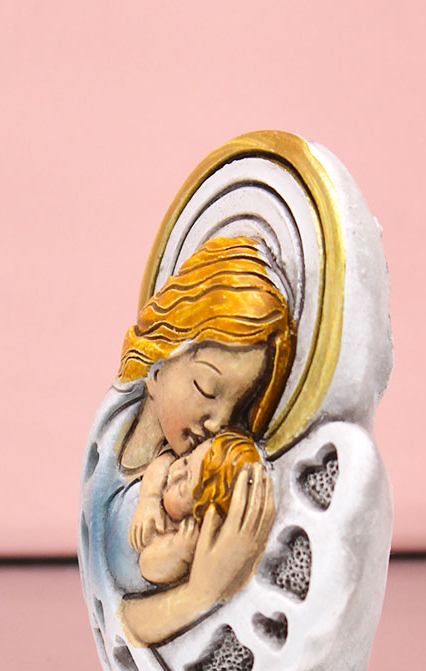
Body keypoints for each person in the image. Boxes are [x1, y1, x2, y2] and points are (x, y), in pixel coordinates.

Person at [82, 237, 294, 647]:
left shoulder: (198, 481)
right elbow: (115, 617)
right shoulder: (113, 436)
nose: (220, 422)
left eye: (239, 408)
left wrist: (206, 584)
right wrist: (201, 592)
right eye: (206, 388)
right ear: (158, 366)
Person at [129, 430, 263, 587]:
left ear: (199, 516)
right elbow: (163, 461)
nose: (175, 473)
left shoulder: (182, 534)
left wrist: (178, 552)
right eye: (186, 461)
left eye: (182, 487)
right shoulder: (166, 478)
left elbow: (147, 565)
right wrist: (150, 499)